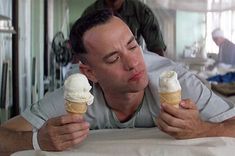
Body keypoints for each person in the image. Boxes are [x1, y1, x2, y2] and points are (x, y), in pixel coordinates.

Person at [1, 9, 235, 154]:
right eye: (113, 58)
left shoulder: (177, 81)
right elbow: (5, 136)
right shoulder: (76, 94)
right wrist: (36, 140)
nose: (133, 63)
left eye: (133, 46)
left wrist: (203, 128)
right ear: (90, 73)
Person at [82, 0, 166, 56]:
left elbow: (157, 49)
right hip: (102, 62)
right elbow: (81, 51)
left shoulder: (140, 10)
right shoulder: (90, 13)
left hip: (133, 60)